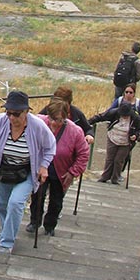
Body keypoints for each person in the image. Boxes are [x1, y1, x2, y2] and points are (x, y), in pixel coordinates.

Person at [0, 91, 56, 253]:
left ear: (27, 111)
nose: (12, 118)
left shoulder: (37, 126)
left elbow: (50, 147)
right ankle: (6, 231)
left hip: (26, 172)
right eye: (8, 113)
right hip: (4, 169)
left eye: (16, 114)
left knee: (15, 204)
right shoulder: (0, 121)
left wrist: (43, 166)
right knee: (1, 205)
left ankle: (6, 242)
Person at [29, 98, 89, 236]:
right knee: (37, 195)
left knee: (56, 200)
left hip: (61, 170)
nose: (55, 123)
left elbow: (83, 154)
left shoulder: (75, 131)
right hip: (41, 166)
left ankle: (50, 226)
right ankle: (34, 221)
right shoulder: (40, 122)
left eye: (59, 120)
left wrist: (73, 172)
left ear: (66, 117)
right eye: (52, 118)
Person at [88, 101, 140, 185]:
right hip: (112, 137)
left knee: (119, 160)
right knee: (110, 158)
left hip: (126, 142)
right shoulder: (113, 113)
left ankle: (115, 179)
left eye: (126, 115)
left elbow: (138, 130)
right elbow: (101, 117)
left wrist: (135, 136)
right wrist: (87, 123)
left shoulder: (136, 118)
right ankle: (105, 177)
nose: (124, 116)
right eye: (123, 114)